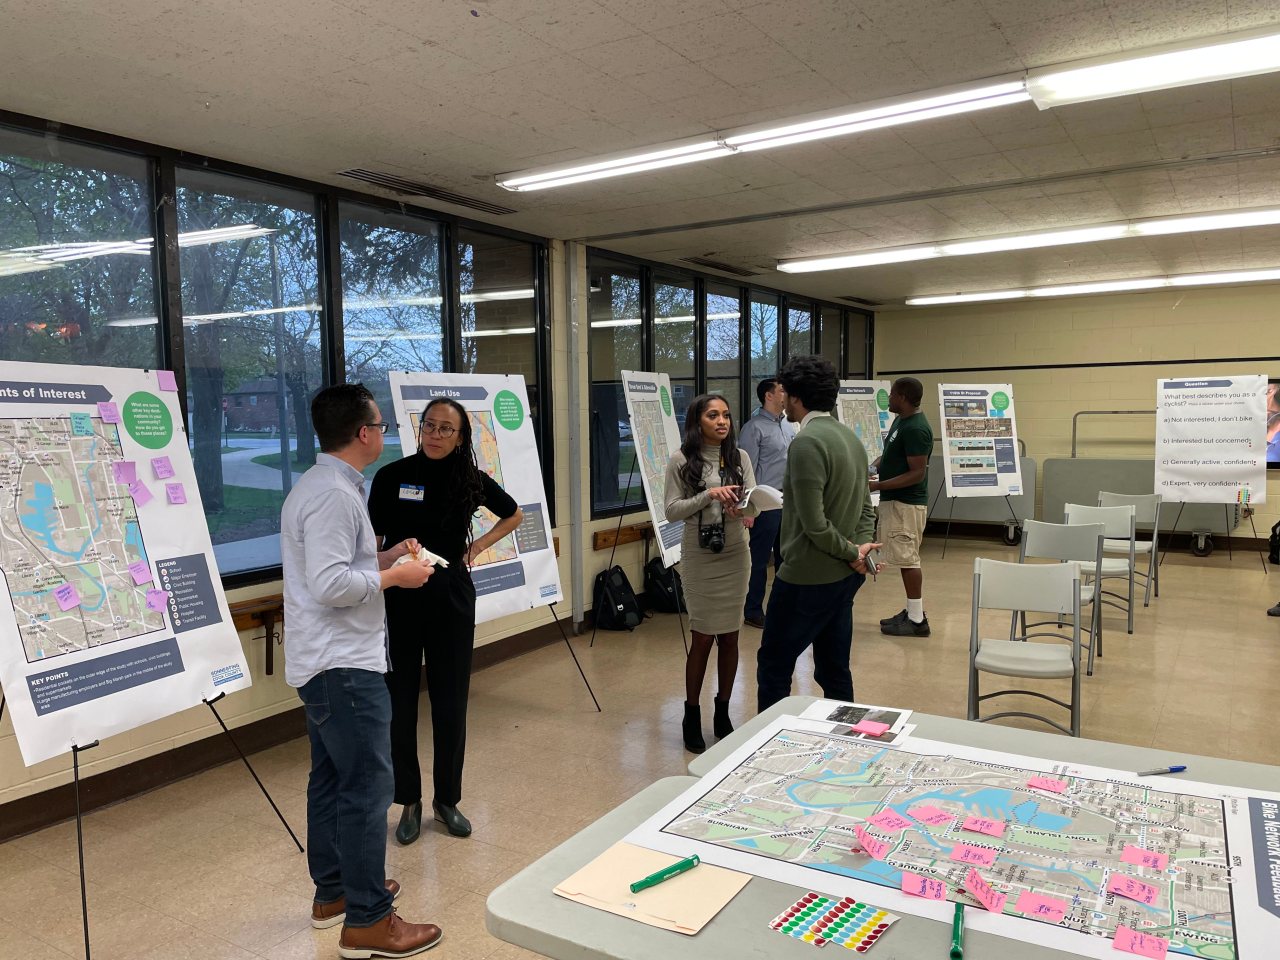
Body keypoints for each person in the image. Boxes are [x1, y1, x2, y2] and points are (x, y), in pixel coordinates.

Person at [281, 383, 443, 958]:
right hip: (342, 666)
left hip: (327, 661)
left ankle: (336, 894)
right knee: (368, 787)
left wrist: (387, 556)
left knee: (330, 778)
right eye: (380, 423)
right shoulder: (332, 495)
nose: (385, 431)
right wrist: (395, 579)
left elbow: (337, 566)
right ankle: (369, 920)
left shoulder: (329, 486)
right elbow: (329, 586)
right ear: (365, 432)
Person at [368, 397, 523, 844]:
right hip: (400, 594)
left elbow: (512, 513)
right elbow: (372, 541)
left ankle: (446, 800)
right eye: (429, 427)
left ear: (461, 437)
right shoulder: (392, 476)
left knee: (450, 699)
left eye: (446, 429)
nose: (435, 435)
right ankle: (409, 800)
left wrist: (475, 549)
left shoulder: (469, 478)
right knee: (399, 701)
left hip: (451, 595)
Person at [756, 356, 880, 713]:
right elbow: (866, 509)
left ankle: (768, 747)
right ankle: (844, 740)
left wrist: (853, 553)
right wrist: (859, 550)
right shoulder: (851, 440)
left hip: (806, 578)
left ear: (795, 397)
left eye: (783, 393)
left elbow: (814, 524)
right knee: (834, 667)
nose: (781, 400)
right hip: (843, 577)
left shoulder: (807, 443)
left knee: (774, 666)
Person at [664, 394, 758, 753]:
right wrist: (709, 496)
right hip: (700, 555)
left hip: (735, 551)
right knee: (703, 636)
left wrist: (743, 510)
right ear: (697, 421)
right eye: (713, 415)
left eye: (727, 416)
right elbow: (672, 511)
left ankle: (722, 710)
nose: (722, 422)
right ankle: (691, 713)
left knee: (731, 636)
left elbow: (754, 507)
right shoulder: (681, 460)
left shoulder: (739, 457)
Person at [870, 377, 934, 638]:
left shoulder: (916, 428)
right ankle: (912, 611)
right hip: (895, 502)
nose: (889, 399)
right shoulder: (901, 421)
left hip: (907, 505)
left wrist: (877, 486)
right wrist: (872, 468)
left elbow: (917, 473)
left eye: (893, 394)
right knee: (904, 559)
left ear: (904, 397)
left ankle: (917, 620)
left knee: (909, 560)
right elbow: (890, 454)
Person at [737, 378, 797, 627]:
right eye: (782, 390)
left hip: (787, 500)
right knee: (760, 560)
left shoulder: (789, 425)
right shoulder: (754, 428)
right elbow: (745, 470)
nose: (786, 394)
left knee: (786, 558)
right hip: (763, 503)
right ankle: (752, 610)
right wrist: (748, 508)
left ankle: (782, 607)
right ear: (768, 396)